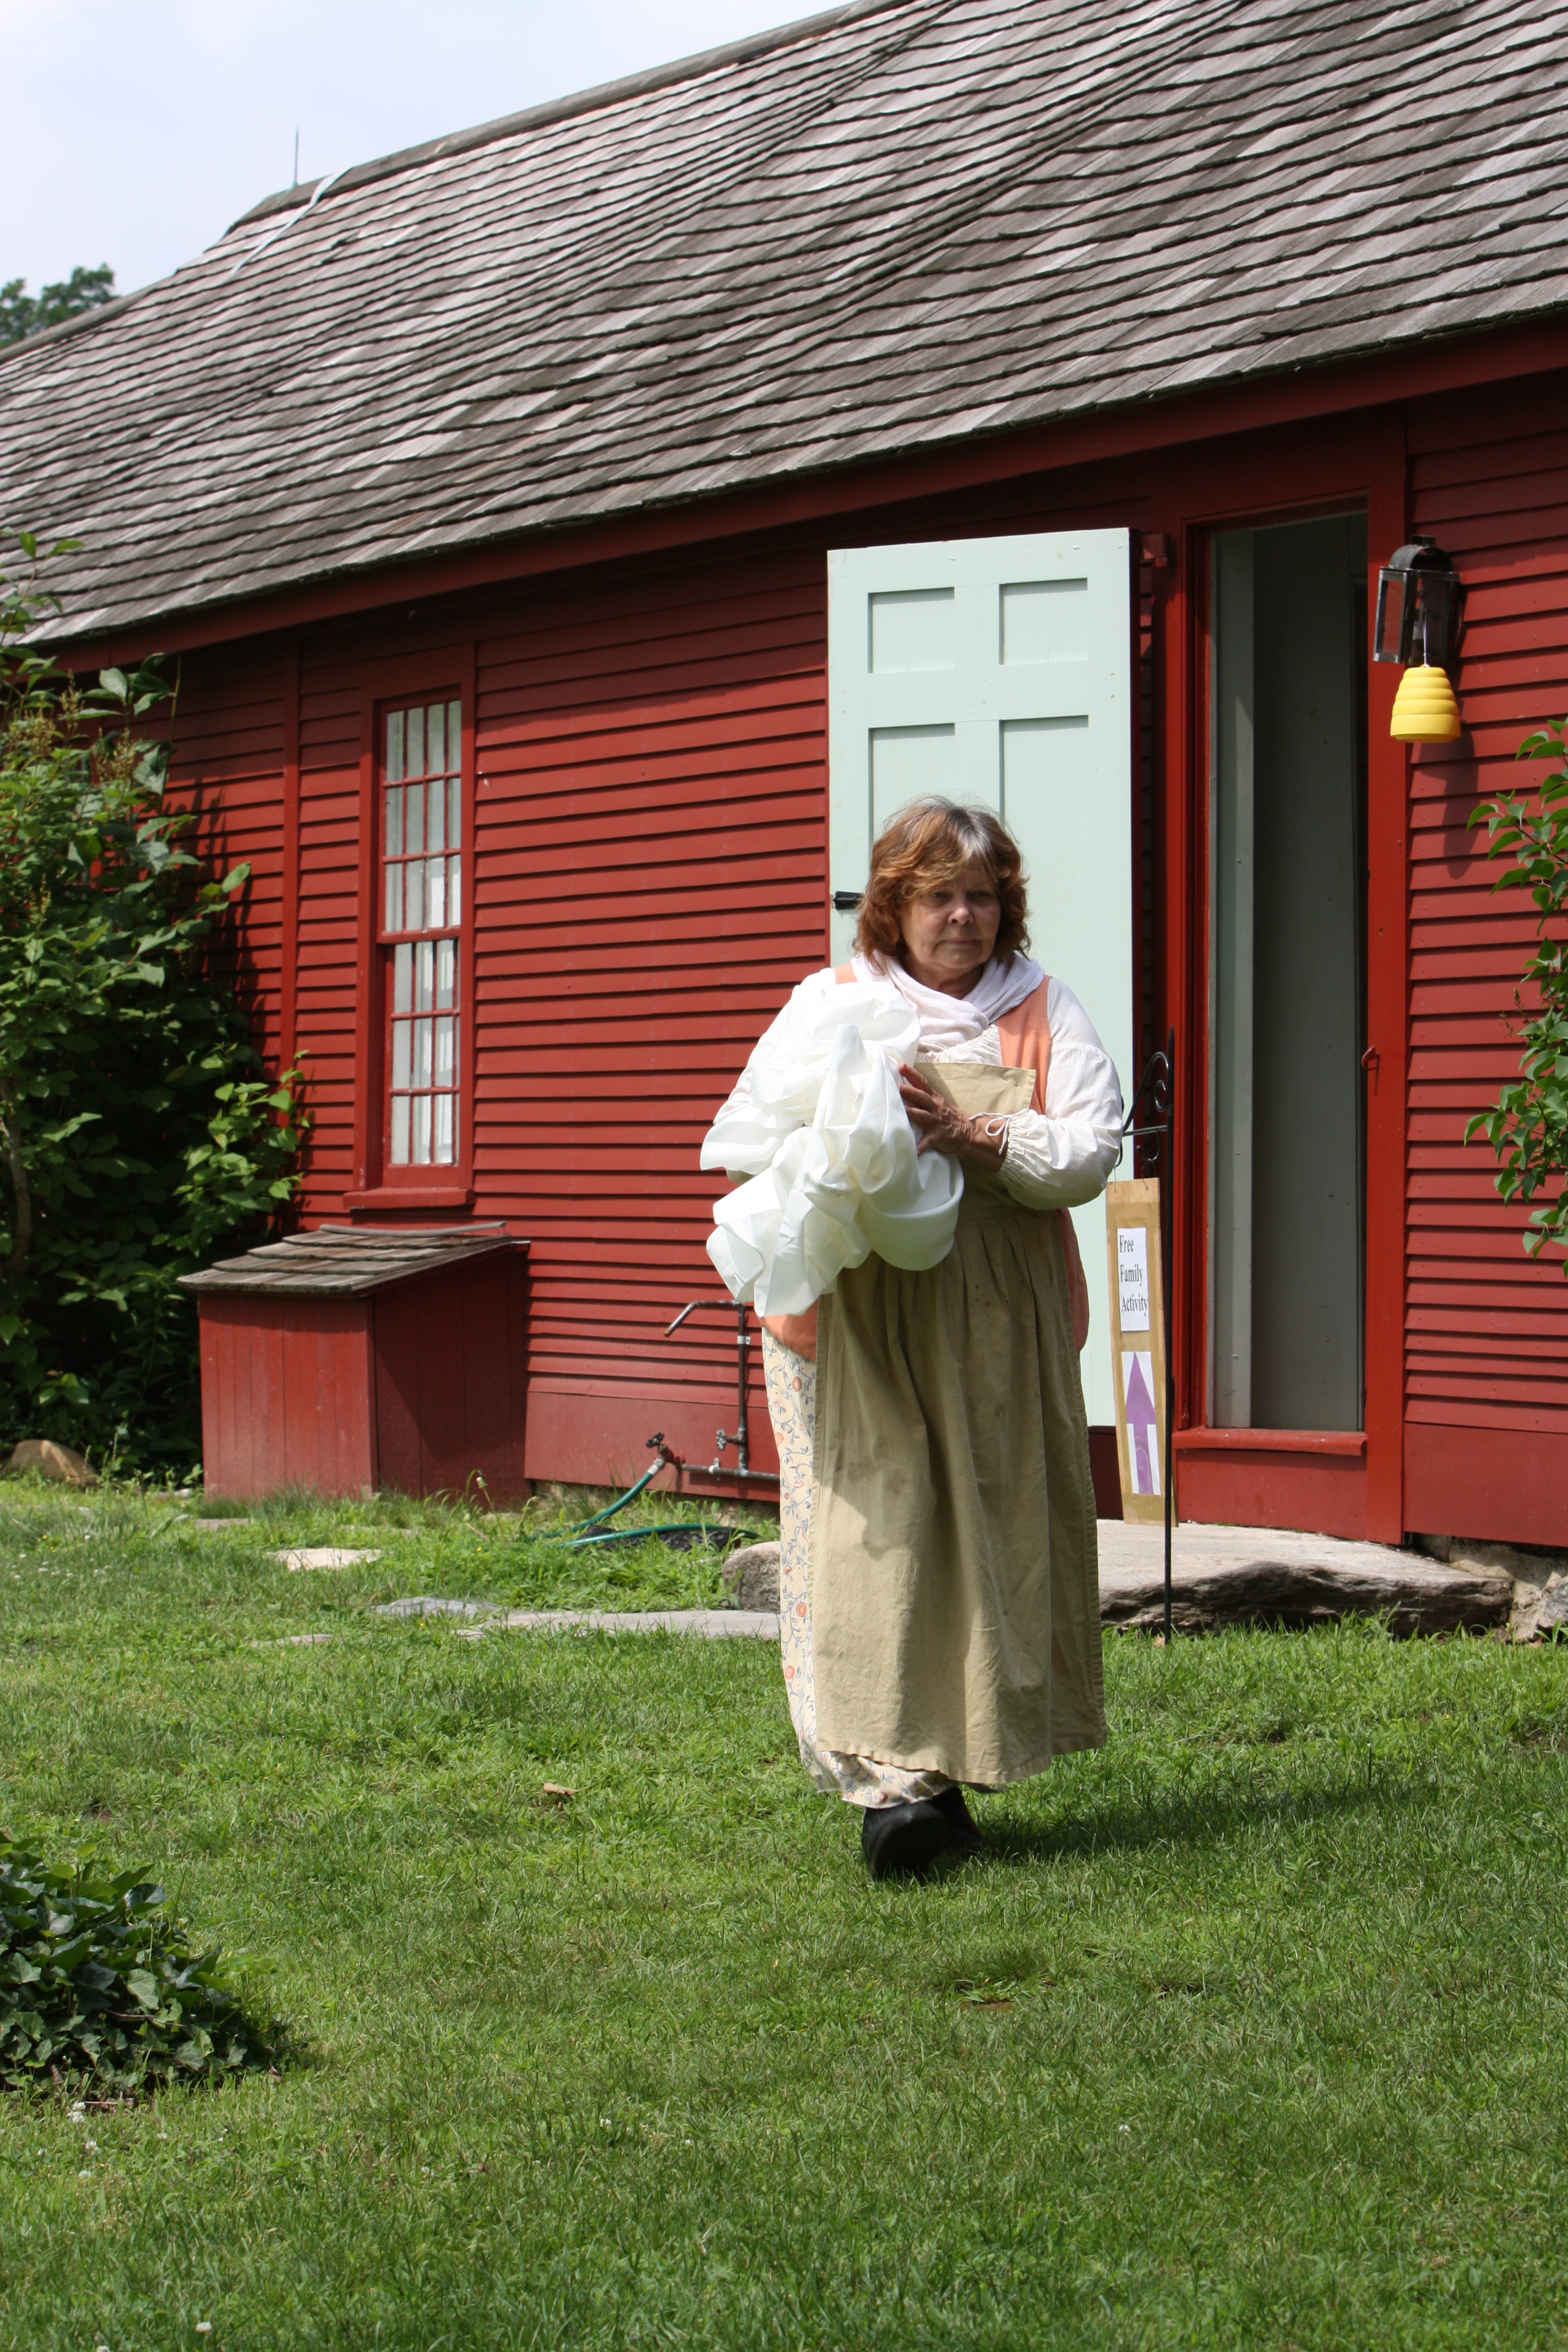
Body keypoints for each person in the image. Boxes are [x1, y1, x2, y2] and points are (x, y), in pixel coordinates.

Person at [702, 797, 1124, 1876]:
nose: (963, 917)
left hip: (993, 1314)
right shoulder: (828, 1004)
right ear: (892, 906)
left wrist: (966, 1131)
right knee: (864, 1535)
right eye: (938, 896)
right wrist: (846, 1141)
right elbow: (755, 1134)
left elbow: (1085, 1154)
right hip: (844, 1318)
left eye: (982, 895)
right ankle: (883, 1789)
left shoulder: (1043, 1006)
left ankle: (950, 1767)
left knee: (984, 1536)